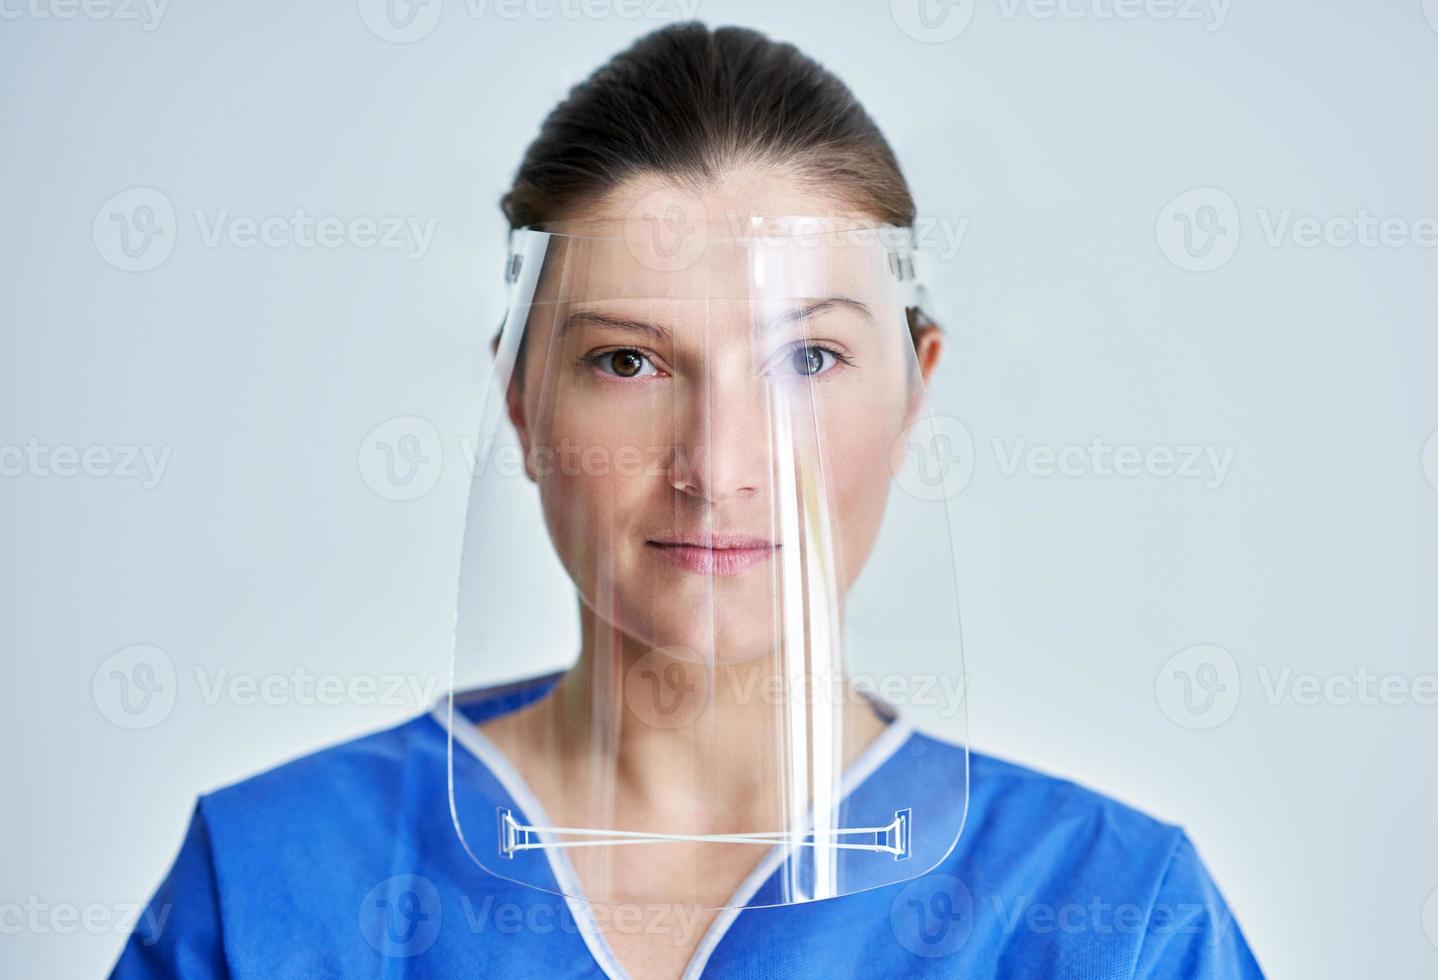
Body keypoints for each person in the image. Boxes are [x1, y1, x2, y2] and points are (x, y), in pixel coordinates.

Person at [111, 22, 1264, 979]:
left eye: (807, 360)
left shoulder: (1111, 916)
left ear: (915, 395)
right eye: (628, 362)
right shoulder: (274, 882)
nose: (717, 464)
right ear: (521, 404)